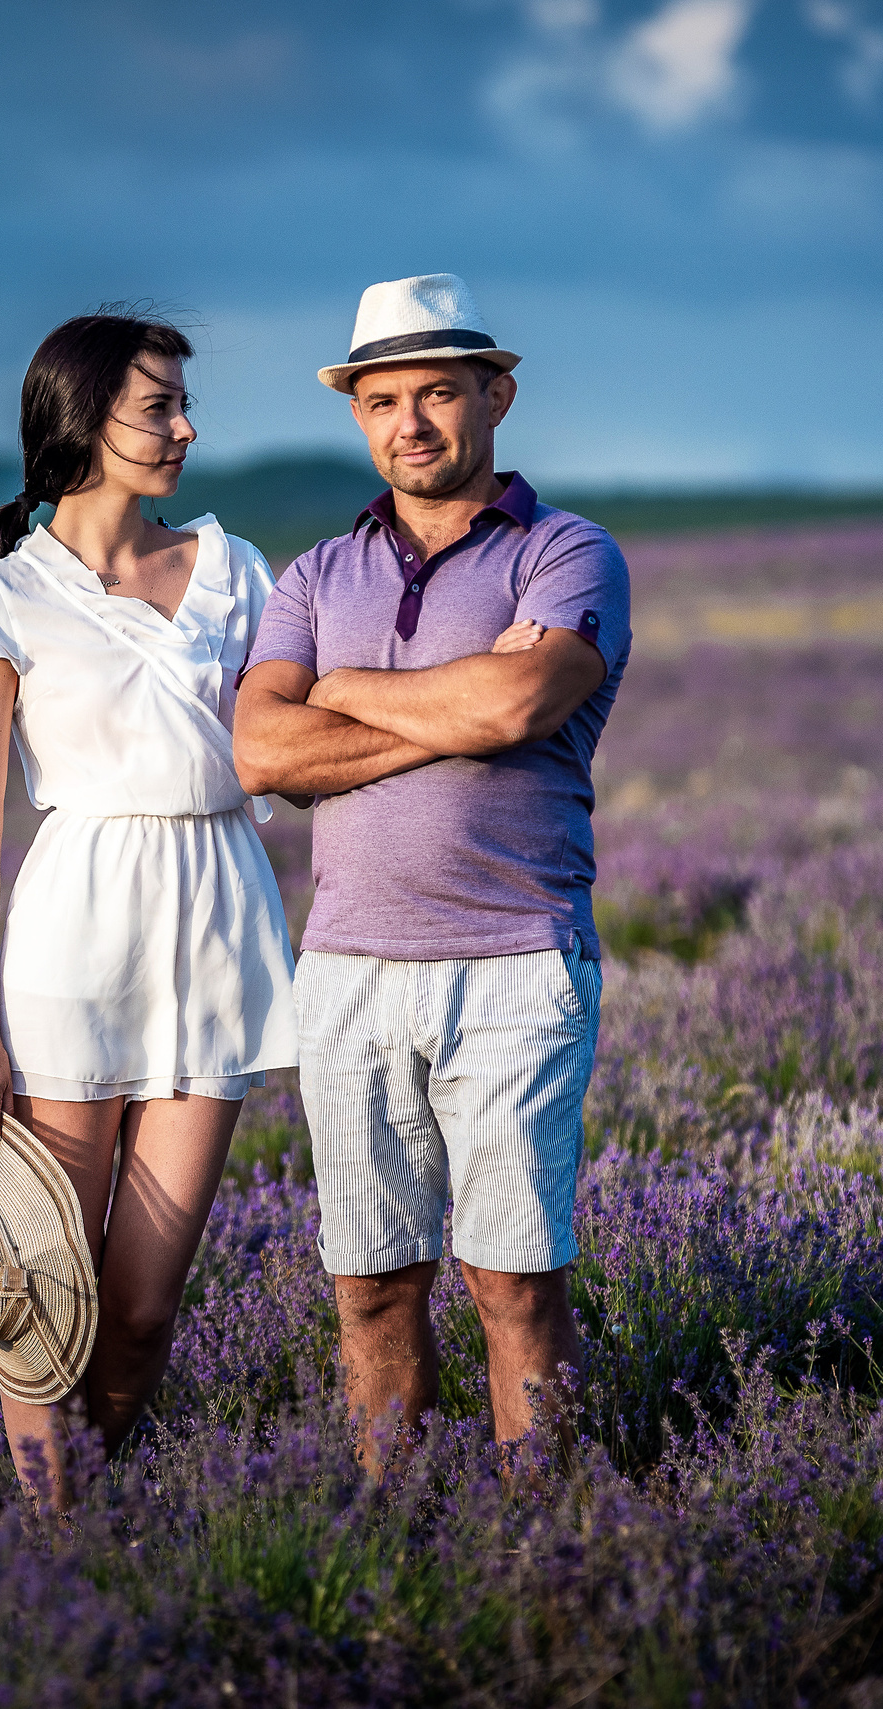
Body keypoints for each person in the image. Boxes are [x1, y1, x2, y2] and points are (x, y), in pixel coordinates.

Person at [231, 273, 633, 1472]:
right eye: (382, 399)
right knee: (369, 1289)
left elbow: (520, 698)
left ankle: (540, 1550)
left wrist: (341, 694)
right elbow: (260, 748)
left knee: (513, 1285)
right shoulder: (311, 576)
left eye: (439, 393)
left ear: (495, 395)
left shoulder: (566, 552)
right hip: (346, 970)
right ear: (357, 412)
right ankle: (398, 1543)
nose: (409, 423)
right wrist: (450, 707)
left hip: (514, 960)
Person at [0, 308, 297, 1499]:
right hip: (73, 944)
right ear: (84, 419)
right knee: (45, 1279)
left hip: (220, 928)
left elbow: (291, 729)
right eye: (159, 408)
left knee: (142, 1305)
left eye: (183, 406)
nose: (185, 429)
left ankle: (82, 1510)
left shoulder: (234, 568)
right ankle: (61, 1544)